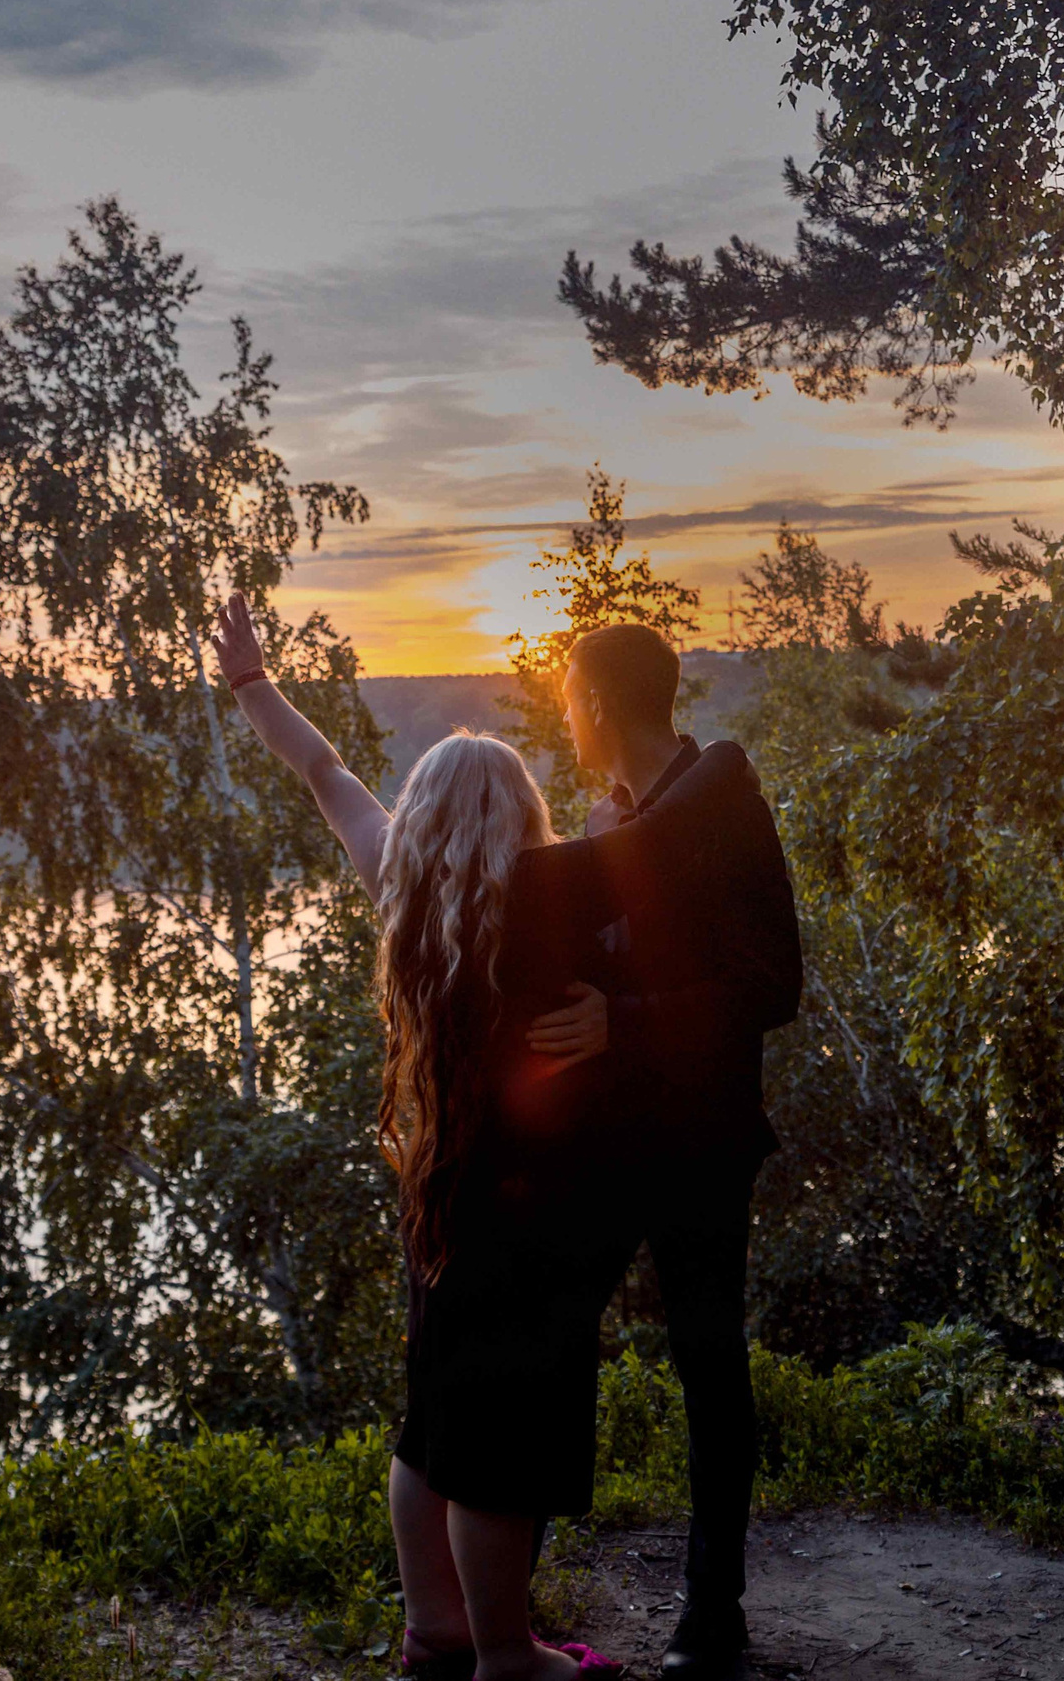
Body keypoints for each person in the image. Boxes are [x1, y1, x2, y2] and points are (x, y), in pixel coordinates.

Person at [213, 595, 761, 1681]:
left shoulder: (399, 877)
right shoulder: (546, 896)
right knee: (500, 1437)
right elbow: (661, 848)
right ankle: (510, 1656)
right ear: (522, 812)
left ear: (422, 814)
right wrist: (715, 772)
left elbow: (325, 771)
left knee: (432, 1419)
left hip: (439, 1189)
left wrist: (252, 684)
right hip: (534, 1207)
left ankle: (437, 1631)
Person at [536, 624, 803, 1681]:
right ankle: (503, 1595)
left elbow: (772, 984)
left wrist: (626, 1021)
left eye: (569, 694)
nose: (565, 713)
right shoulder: (608, 821)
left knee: (706, 1359)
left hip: (699, 1136)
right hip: (603, 1138)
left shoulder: (724, 804)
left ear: (599, 701)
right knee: (541, 1335)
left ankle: (712, 1610)